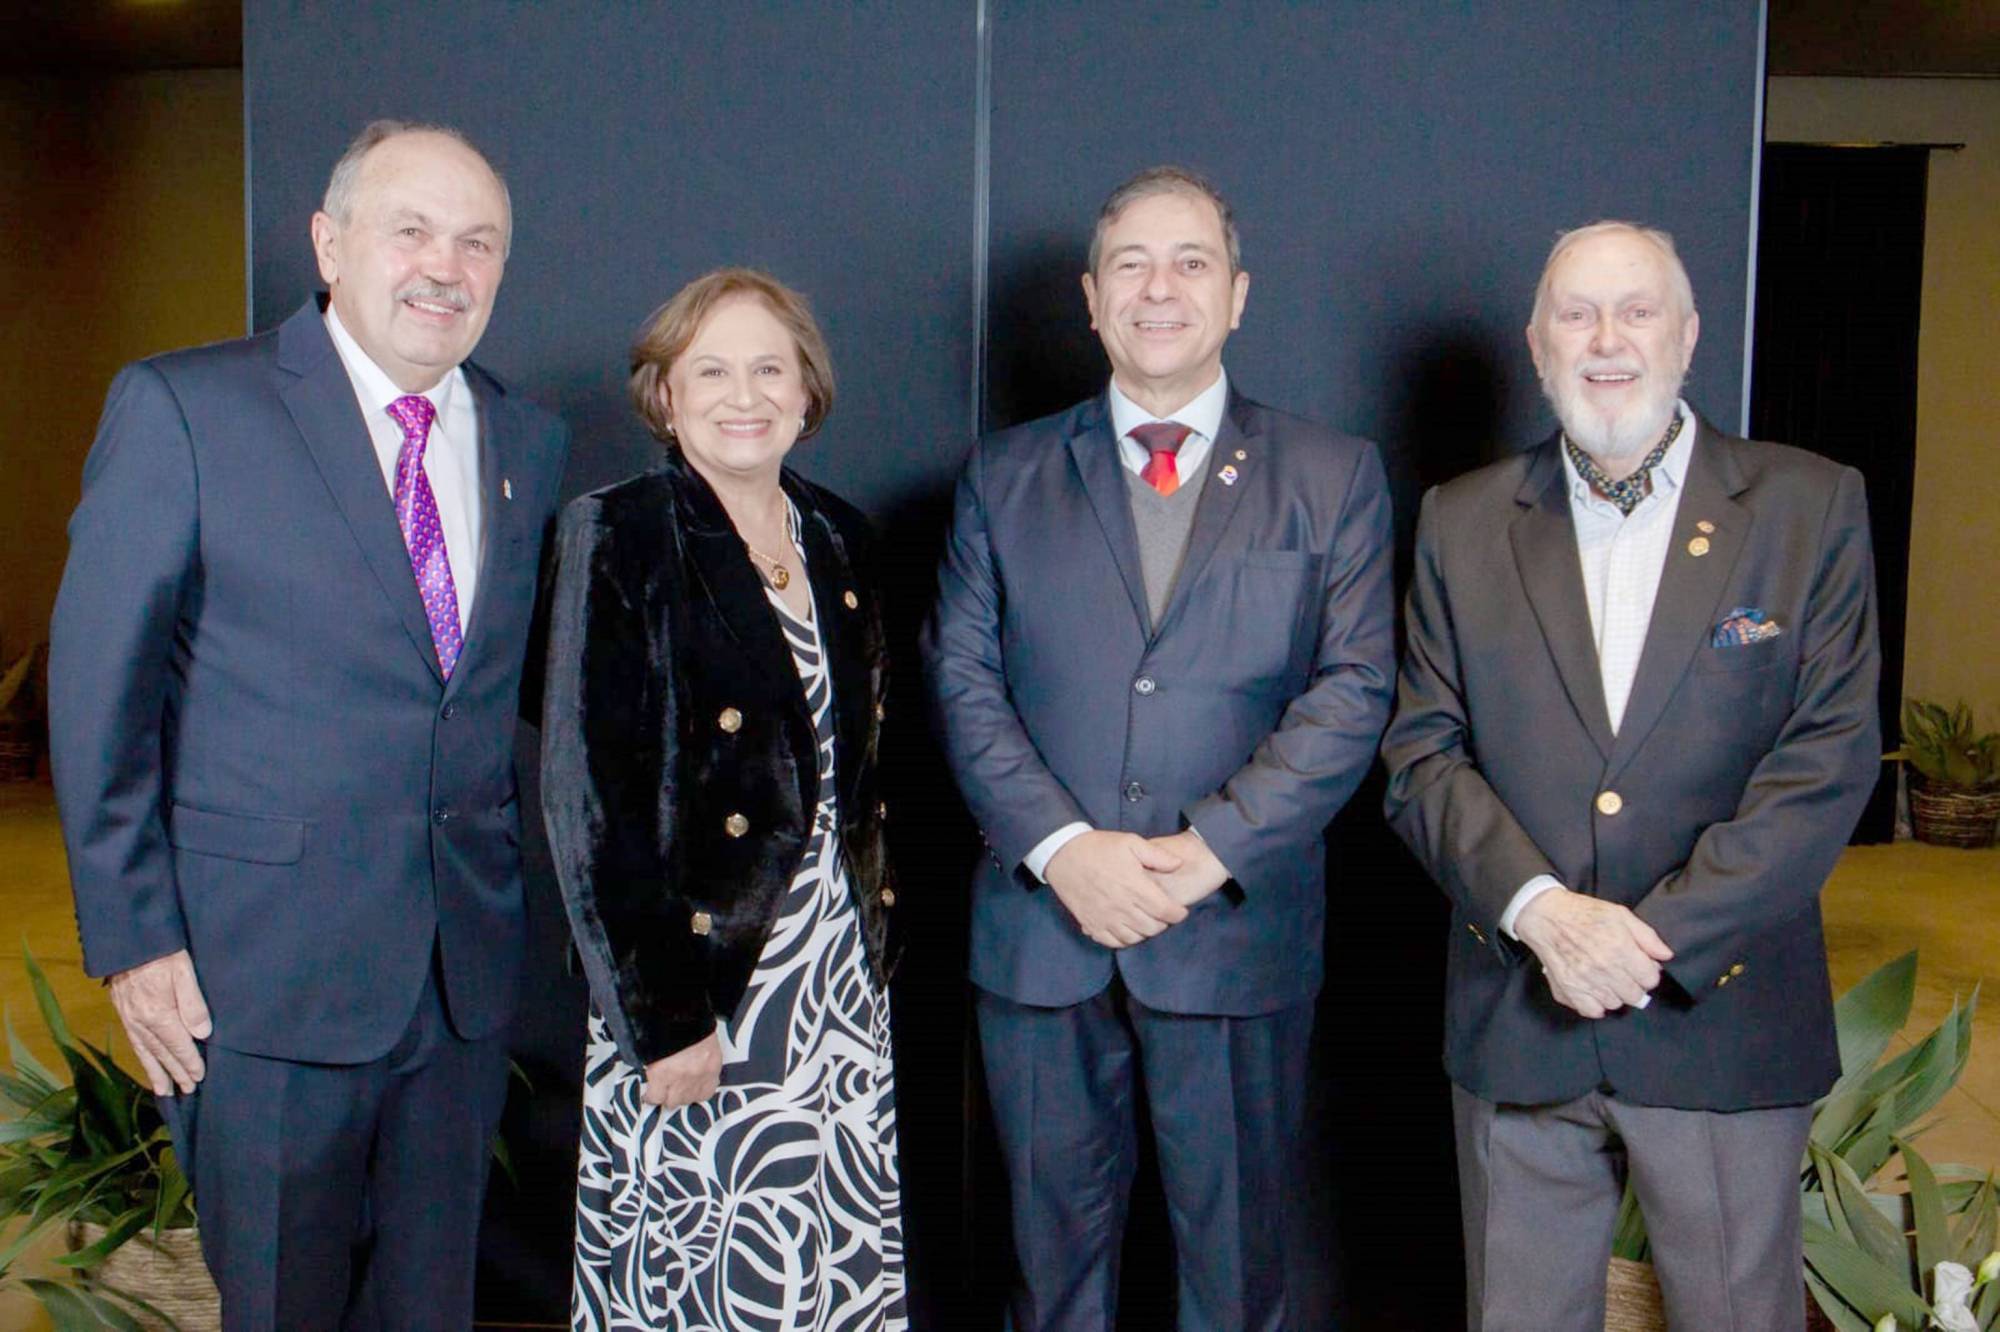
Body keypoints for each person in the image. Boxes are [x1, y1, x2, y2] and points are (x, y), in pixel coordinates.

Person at [48, 120, 569, 1327]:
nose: (447, 265)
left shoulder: (523, 439)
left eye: (479, 242)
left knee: (430, 1306)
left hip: (458, 984)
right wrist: (135, 943)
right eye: (413, 230)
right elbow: (99, 693)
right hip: (258, 980)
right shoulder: (185, 407)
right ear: (329, 243)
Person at [1380, 220, 1881, 1331]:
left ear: (1687, 334)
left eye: (1635, 310)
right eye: (1575, 314)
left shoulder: (1806, 507)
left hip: (1721, 1021)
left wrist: (1648, 945)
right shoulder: (1459, 522)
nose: (1605, 340)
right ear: (1535, 344)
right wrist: (1545, 915)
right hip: (1519, 1013)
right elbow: (1420, 755)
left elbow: (1826, 760)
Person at [923, 166, 1395, 1330]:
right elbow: (962, 680)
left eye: (1189, 262)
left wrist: (1202, 856)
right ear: (1090, 299)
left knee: (1237, 1270)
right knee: (1047, 1270)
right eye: (1130, 264)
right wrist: (1060, 849)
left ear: (1237, 295)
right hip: (1042, 938)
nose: (1158, 288)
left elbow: (1352, 691)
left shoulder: (1331, 477)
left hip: (1232, 937)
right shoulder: (1002, 475)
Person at [540, 268, 904, 1330]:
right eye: (710, 370)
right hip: (702, 976)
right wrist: (661, 1019)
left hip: (833, 975)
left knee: (823, 1261)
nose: (741, 395)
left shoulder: (837, 537)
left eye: (766, 368)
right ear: (663, 396)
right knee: (709, 1261)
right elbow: (585, 800)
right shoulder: (618, 534)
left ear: (805, 392)